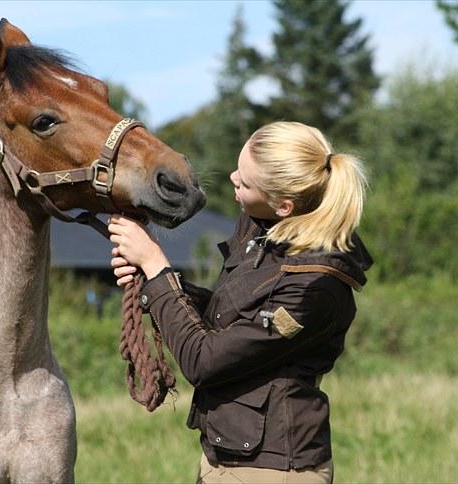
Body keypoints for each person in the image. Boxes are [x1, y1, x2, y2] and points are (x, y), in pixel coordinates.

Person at [108, 121, 372, 483]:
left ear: (284, 205)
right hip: (228, 457)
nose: (233, 178)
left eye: (245, 182)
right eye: (239, 168)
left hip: (273, 470)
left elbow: (203, 360)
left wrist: (156, 267)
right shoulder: (262, 226)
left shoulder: (316, 288)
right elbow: (225, 314)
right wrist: (151, 286)